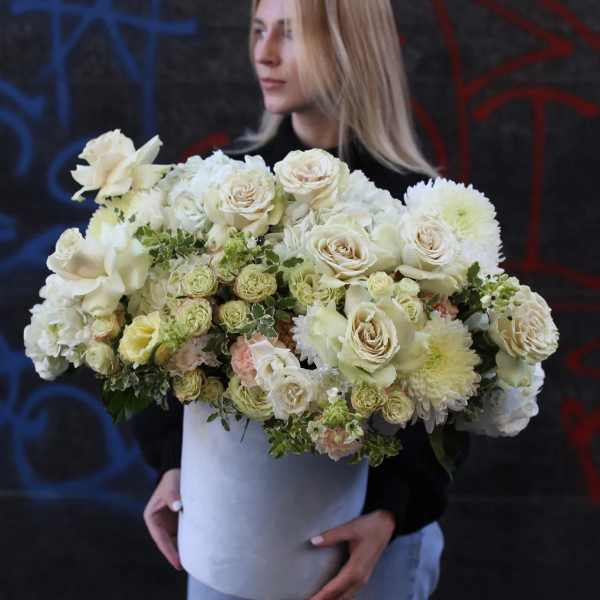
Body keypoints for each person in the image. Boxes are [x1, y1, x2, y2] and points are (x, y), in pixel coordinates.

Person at [132, 1, 467, 598]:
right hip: (231, 539)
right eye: (259, 31)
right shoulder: (227, 192)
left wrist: (392, 510)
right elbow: (164, 344)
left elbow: (456, 392)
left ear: (348, 44)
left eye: (290, 34)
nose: (263, 54)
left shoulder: (422, 212)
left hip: (369, 553)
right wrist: (173, 465)